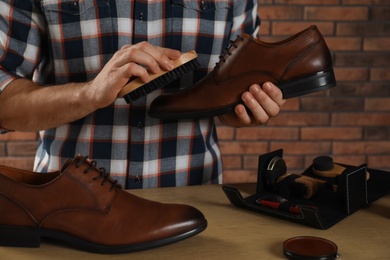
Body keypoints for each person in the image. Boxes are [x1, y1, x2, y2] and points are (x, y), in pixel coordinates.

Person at [0, 0, 285, 189]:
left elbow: (234, 90)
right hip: (69, 205)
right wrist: (89, 94)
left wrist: (244, 107)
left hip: (193, 199)